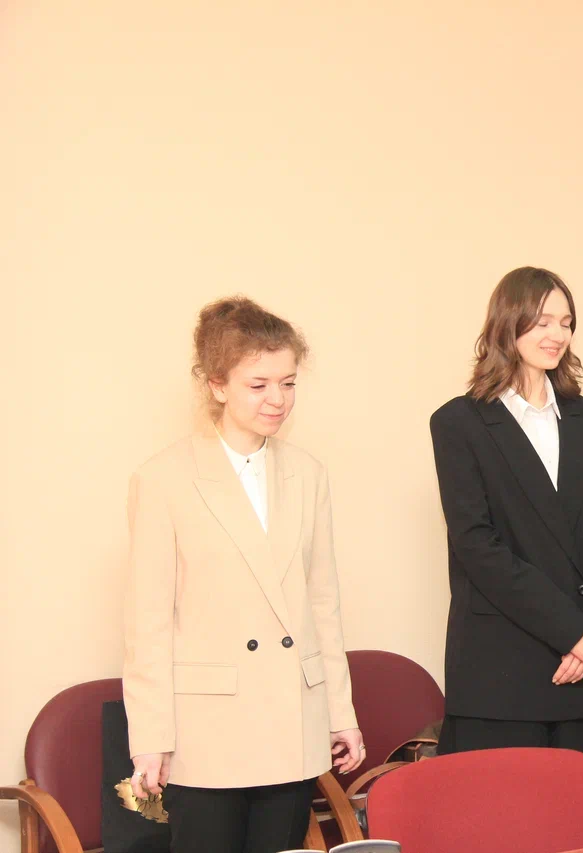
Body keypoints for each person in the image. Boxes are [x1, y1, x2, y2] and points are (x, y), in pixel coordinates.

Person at [124, 297, 364, 853]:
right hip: (208, 727)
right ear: (217, 384)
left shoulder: (307, 473)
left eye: (288, 382)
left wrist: (340, 714)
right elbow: (147, 623)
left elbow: (322, 605)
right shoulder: (163, 478)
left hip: (291, 717)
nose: (277, 399)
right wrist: (150, 739)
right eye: (258, 385)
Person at [429, 266, 583, 756]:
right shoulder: (459, 422)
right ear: (508, 324)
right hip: (503, 670)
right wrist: (572, 632)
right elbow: (478, 546)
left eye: (566, 322)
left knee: (582, 804)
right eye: (542, 322)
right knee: (503, 804)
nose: (556, 334)